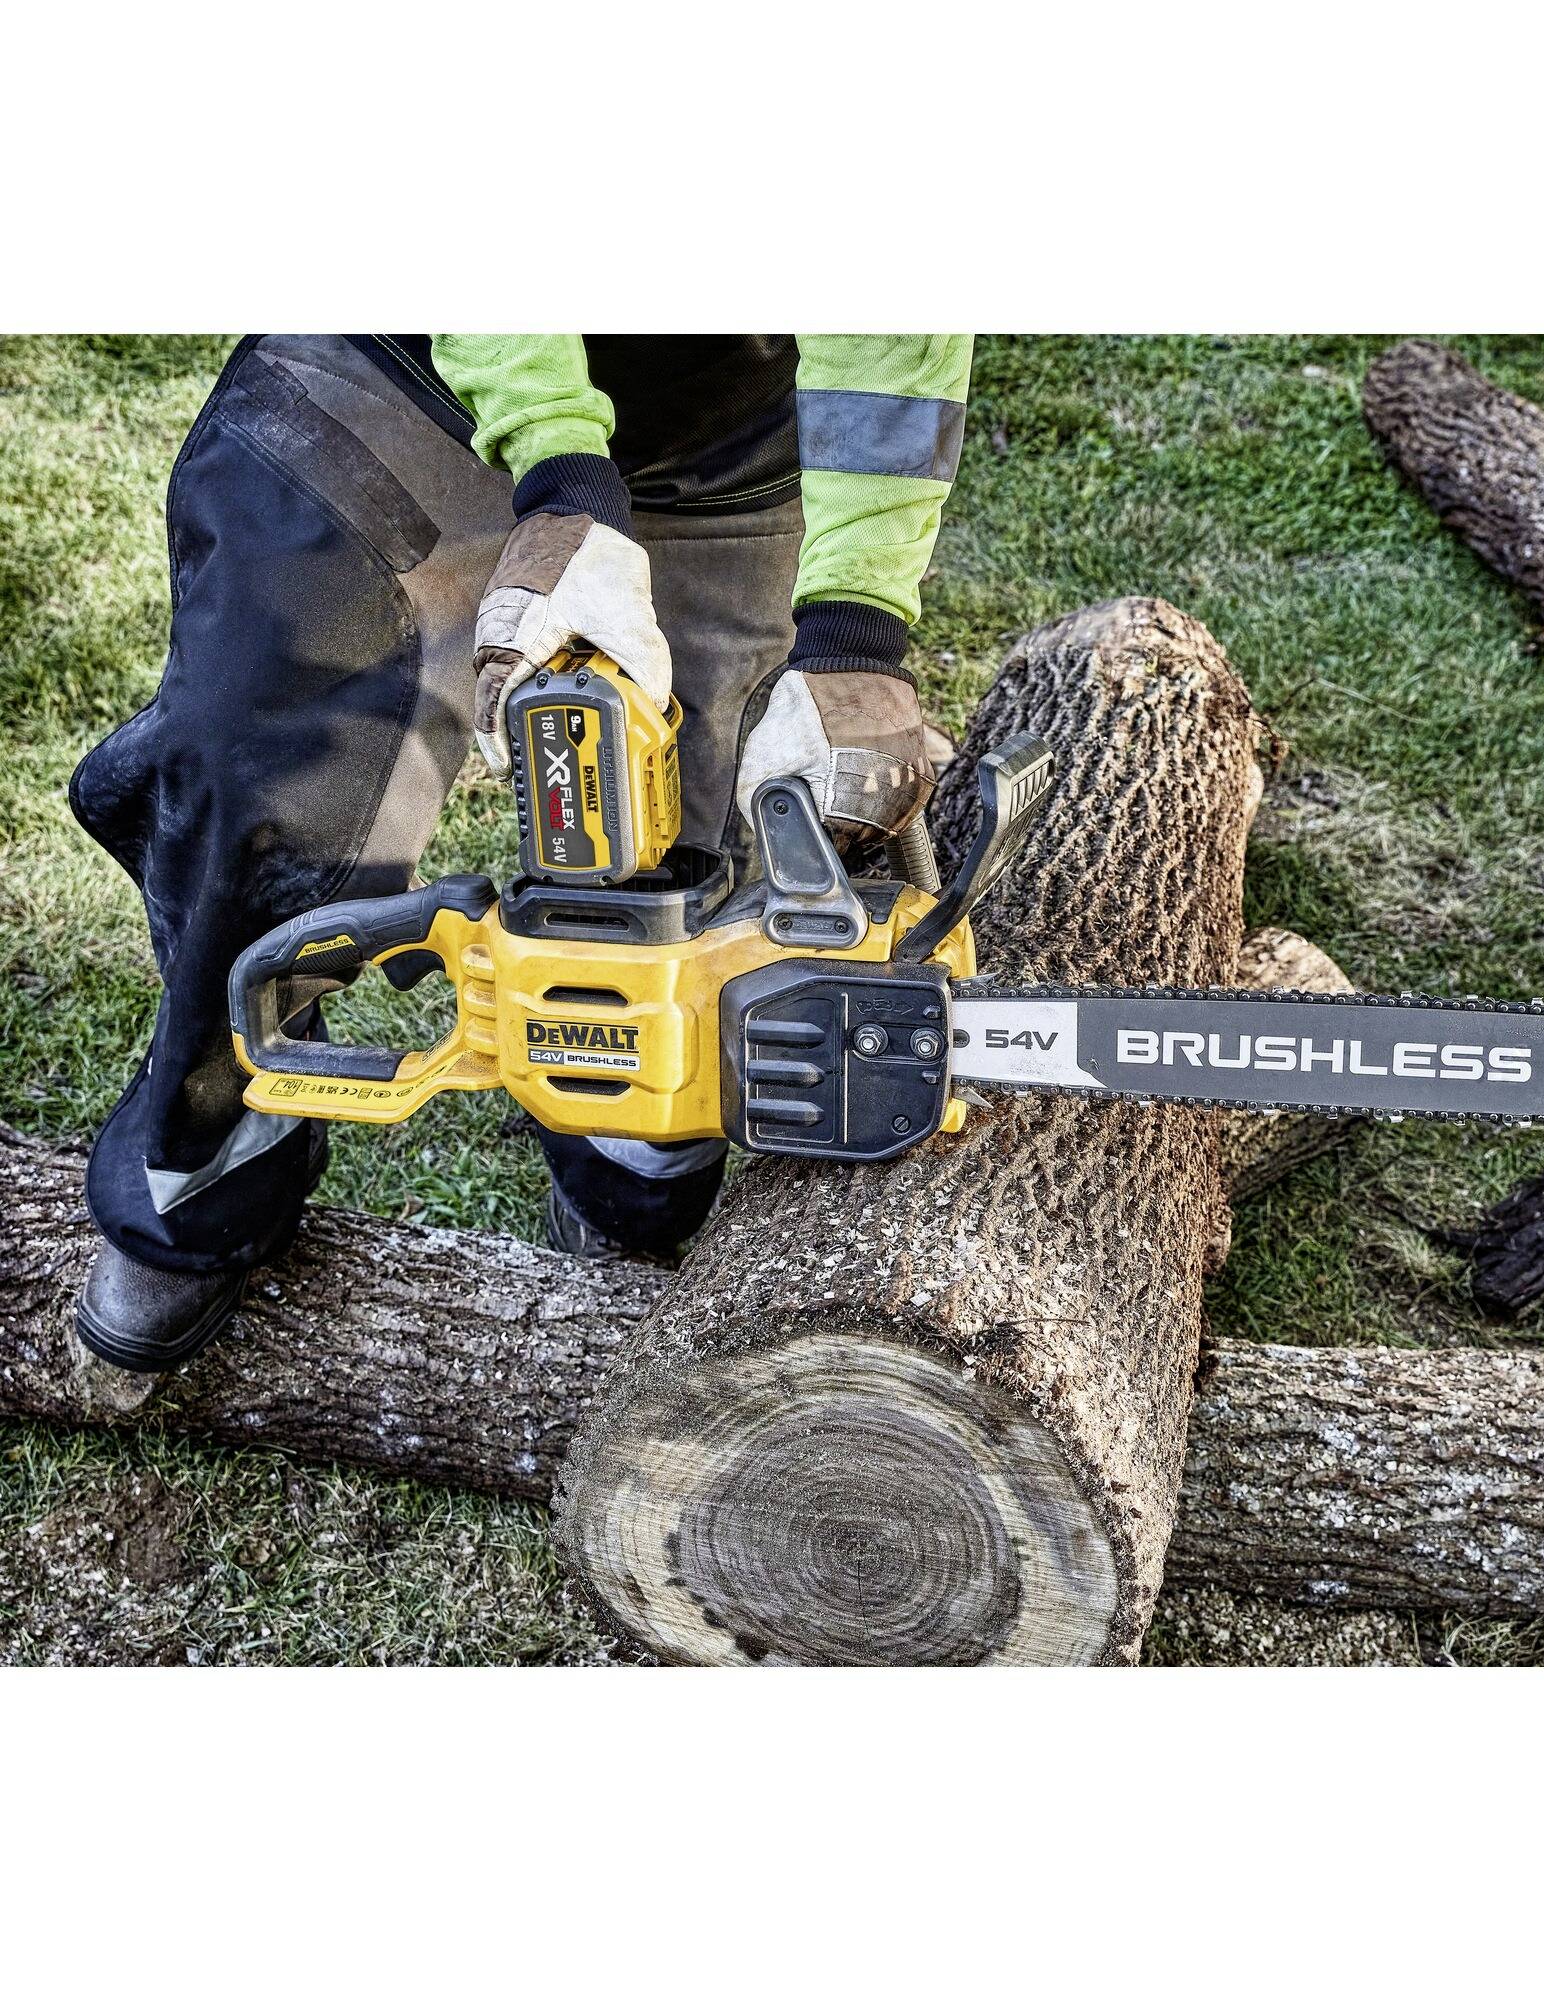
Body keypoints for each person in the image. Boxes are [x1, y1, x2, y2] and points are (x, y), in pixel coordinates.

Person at [68, 334, 975, 1371]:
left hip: (726, 434)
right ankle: (207, 1169)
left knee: (685, 878)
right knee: (260, 777)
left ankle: (628, 1156)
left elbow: (899, 322)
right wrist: (561, 473)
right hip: (408, 372)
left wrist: (854, 629)